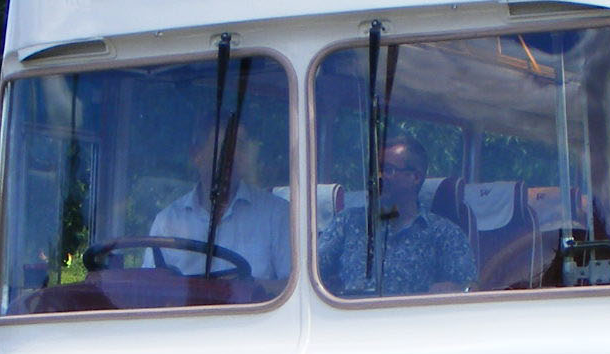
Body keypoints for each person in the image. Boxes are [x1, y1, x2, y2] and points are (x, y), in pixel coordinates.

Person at [318, 136, 474, 297]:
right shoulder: (348, 222)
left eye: (387, 170)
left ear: (415, 177)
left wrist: (451, 289)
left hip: (413, 319)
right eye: (374, 170)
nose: (376, 177)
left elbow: (467, 290)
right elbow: (311, 273)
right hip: (347, 318)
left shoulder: (445, 234)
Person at [146, 121, 292, 285]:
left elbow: (294, 287)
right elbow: (151, 290)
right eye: (224, 146)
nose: (234, 155)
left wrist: (250, 288)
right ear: (196, 155)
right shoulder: (166, 223)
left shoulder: (277, 214)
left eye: (240, 146)